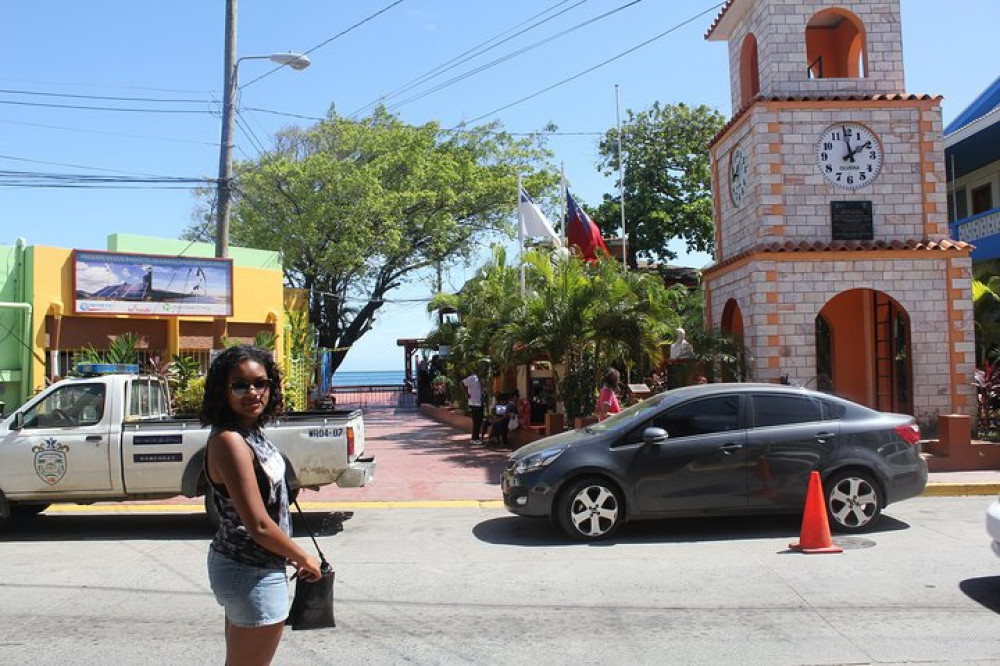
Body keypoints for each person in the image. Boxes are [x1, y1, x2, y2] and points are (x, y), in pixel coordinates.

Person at [200, 345, 322, 666]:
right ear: (221, 391)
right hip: (250, 570)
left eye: (260, 383)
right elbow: (259, 525)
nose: (252, 392)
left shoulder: (250, 431)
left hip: (254, 567)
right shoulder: (230, 441)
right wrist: (303, 557)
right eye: (239, 385)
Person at [461, 370, 484, 444]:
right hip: (474, 403)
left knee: (479, 421)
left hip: (479, 403)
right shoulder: (473, 378)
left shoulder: (480, 379)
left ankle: (477, 438)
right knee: (476, 421)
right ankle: (474, 438)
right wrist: (466, 394)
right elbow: (462, 383)